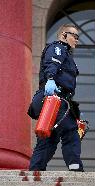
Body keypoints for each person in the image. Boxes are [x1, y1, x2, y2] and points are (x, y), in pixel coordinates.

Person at [28, 24, 84, 172]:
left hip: (54, 100)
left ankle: (35, 172)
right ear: (64, 35)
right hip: (55, 99)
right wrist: (51, 78)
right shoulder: (58, 48)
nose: (77, 40)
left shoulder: (66, 53)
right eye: (75, 36)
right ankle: (76, 171)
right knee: (71, 133)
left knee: (47, 140)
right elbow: (52, 64)